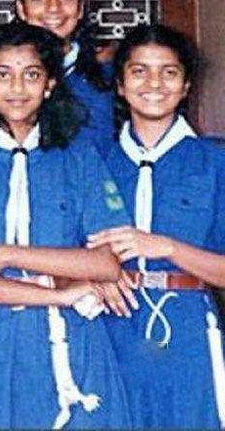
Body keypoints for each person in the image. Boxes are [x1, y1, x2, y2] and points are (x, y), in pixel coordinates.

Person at [0, 21, 131, 429]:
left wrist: (7, 254)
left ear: (50, 84)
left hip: (74, 339)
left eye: (32, 75)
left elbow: (106, 263)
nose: (17, 88)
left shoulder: (79, 156)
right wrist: (57, 294)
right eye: (3, 75)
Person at [87, 24, 225, 428]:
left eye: (169, 72)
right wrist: (92, 273)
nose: (154, 83)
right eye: (139, 71)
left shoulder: (215, 162)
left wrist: (166, 247)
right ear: (120, 85)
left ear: (186, 86)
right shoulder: (93, 162)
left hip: (188, 333)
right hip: (108, 329)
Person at [14, 0, 113, 151]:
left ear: (81, 8)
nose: (53, 8)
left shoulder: (108, 73)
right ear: (21, 9)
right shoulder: (3, 74)